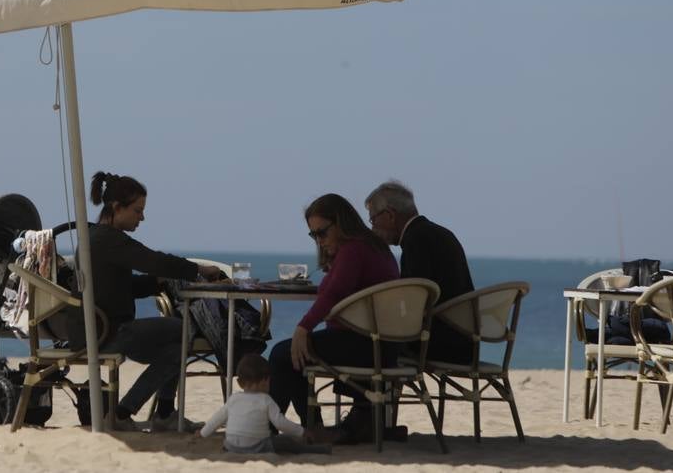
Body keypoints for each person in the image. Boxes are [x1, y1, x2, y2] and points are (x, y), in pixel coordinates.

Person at [84, 170, 224, 432]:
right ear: (117, 207)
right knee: (183, 329)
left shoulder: (97, 238)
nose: (142, 217)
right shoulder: (109, 240)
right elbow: (154, 259)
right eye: (137, 211)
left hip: (105, 328)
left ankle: (160, 413)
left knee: (175, 348)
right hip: (108, 332)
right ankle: (127, 413)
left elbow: (125, 288)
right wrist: (197, 270)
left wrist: (157, 281)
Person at [267, 193, 399, 445]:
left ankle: (278, 427)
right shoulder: (372, 246)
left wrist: (303, 327)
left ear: (341, 223)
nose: (319, 240)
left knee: (285, 355)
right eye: (314, 235)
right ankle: (302, 425)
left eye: (322, 233)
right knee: (293, 352)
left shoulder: (354, 250)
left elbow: (334, 293)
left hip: (365, 344)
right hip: (384, 344)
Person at [364, 180, 475, 363]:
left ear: (390, 215)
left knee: (362, 344)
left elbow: (412, 305)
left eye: (373, 219)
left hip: (439, 345)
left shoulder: (416, 241)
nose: (372, 227)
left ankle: (374, 392)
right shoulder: (440, 233)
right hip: (464, 341)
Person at [198, 353, 324, 454]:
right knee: (286, 442)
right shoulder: (266, 400)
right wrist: (302, 431)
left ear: (239, 383)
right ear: (266, 380)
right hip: (257, 446)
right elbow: (281, 423)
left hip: (231, 446)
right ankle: (315, 450)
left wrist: (203, 433)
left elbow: (218, 419)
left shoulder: (233, 399)